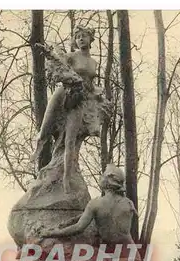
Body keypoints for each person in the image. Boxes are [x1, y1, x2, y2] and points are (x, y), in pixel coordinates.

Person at [30, 26, 104, 194]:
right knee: (44, 130)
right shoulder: (71, 56)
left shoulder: (93, 63)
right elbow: (58, 62)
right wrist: (48, 52)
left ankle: (66, 179)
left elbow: (91, 85)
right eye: (77, 37)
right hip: (63, 92)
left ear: (91, 39)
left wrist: (97, 98)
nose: (81, 39)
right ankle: (36, 153)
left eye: (84, 36)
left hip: (79, 99)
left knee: (70, 140)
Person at [41, 164, 142, 261]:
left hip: (109, 255)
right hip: (131, 254)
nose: (100, 178)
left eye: (103, 176)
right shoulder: (128, 203)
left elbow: (78, 228)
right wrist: (70, 221)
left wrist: (51, 233)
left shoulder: (95, 204)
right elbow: (107, 214)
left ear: (107, 181)